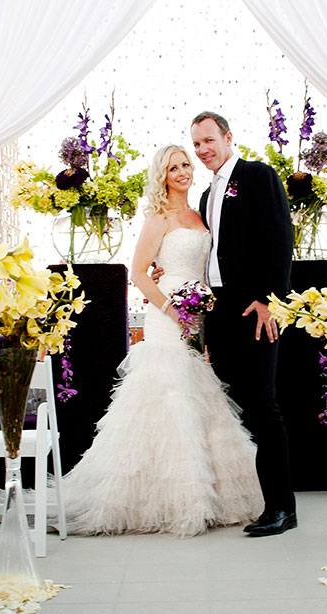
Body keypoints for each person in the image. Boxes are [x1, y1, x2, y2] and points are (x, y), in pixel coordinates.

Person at [61, 144, 264, 538]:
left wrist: (199, 308)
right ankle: (161, 499)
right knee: (167, 395)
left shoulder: (201, 212)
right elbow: (138, 273)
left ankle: (211, 496)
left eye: (186, 164)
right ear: (163, 175)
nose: (183, 171)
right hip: (168, 315)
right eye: (174, 168)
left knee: (197, 394)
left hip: (201, 312)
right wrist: (174, 310)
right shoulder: (160, 217)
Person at [191, 110, 297, 536]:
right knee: (240, 407)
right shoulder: (204, 196)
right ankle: (258, 499)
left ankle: (282, 509)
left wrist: (270, 301)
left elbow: (280, 238)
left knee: (263, 406)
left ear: (228, 137)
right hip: (220, 310)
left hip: (256, 308)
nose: (202, 151)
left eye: (208, 141)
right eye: (196, 144)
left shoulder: (257, 175)